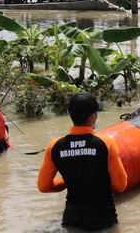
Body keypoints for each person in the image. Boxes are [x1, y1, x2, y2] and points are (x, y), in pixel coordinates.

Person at [37, 92, 128, 230]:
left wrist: (65, 181)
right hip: (102, 217)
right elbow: (120, 185)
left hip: (71, 218)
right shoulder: (106, 143)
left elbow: (43, 186)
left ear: (70, 115)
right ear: (93, 117)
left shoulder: (54, 146)